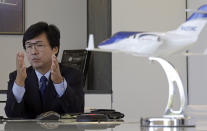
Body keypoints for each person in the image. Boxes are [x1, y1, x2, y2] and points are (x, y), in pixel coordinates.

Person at [5, 22, 84, 119]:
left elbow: (77, 112)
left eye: (39, 45)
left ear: (54, 49)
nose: (33, 52)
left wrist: (59, 83)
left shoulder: (72, 75)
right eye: (29, 46)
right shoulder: (17, 77)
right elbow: (11, 115)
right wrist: (19, 83)